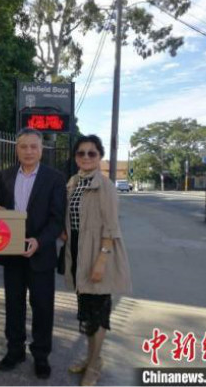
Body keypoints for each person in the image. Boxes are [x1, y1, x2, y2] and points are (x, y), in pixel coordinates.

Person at [0, 128, 67, 379]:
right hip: (11, 254)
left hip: (40, 253)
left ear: (41, 150)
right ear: (16, 149)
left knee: (42, 307)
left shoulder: (55, 178)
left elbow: (56, 219)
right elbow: (1, 211)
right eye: (23, 146)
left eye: (33, 147)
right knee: (13, 305)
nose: (28, 151)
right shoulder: (5, 176)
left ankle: (41, 355)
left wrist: (39, 241)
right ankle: (15, 351)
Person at [62, 134, 132, 386]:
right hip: (77, 252)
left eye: (92, 153)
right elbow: (70, 217)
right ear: (75, 157)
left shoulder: (106, 186)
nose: (86, 157)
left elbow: (111, 227)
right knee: (87, 313)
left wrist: (102, 260)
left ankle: (93, 366)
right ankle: (93, 358)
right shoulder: (73, 182)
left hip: (98, 253)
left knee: (99, 314)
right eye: (81, 153)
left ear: (100, 156)